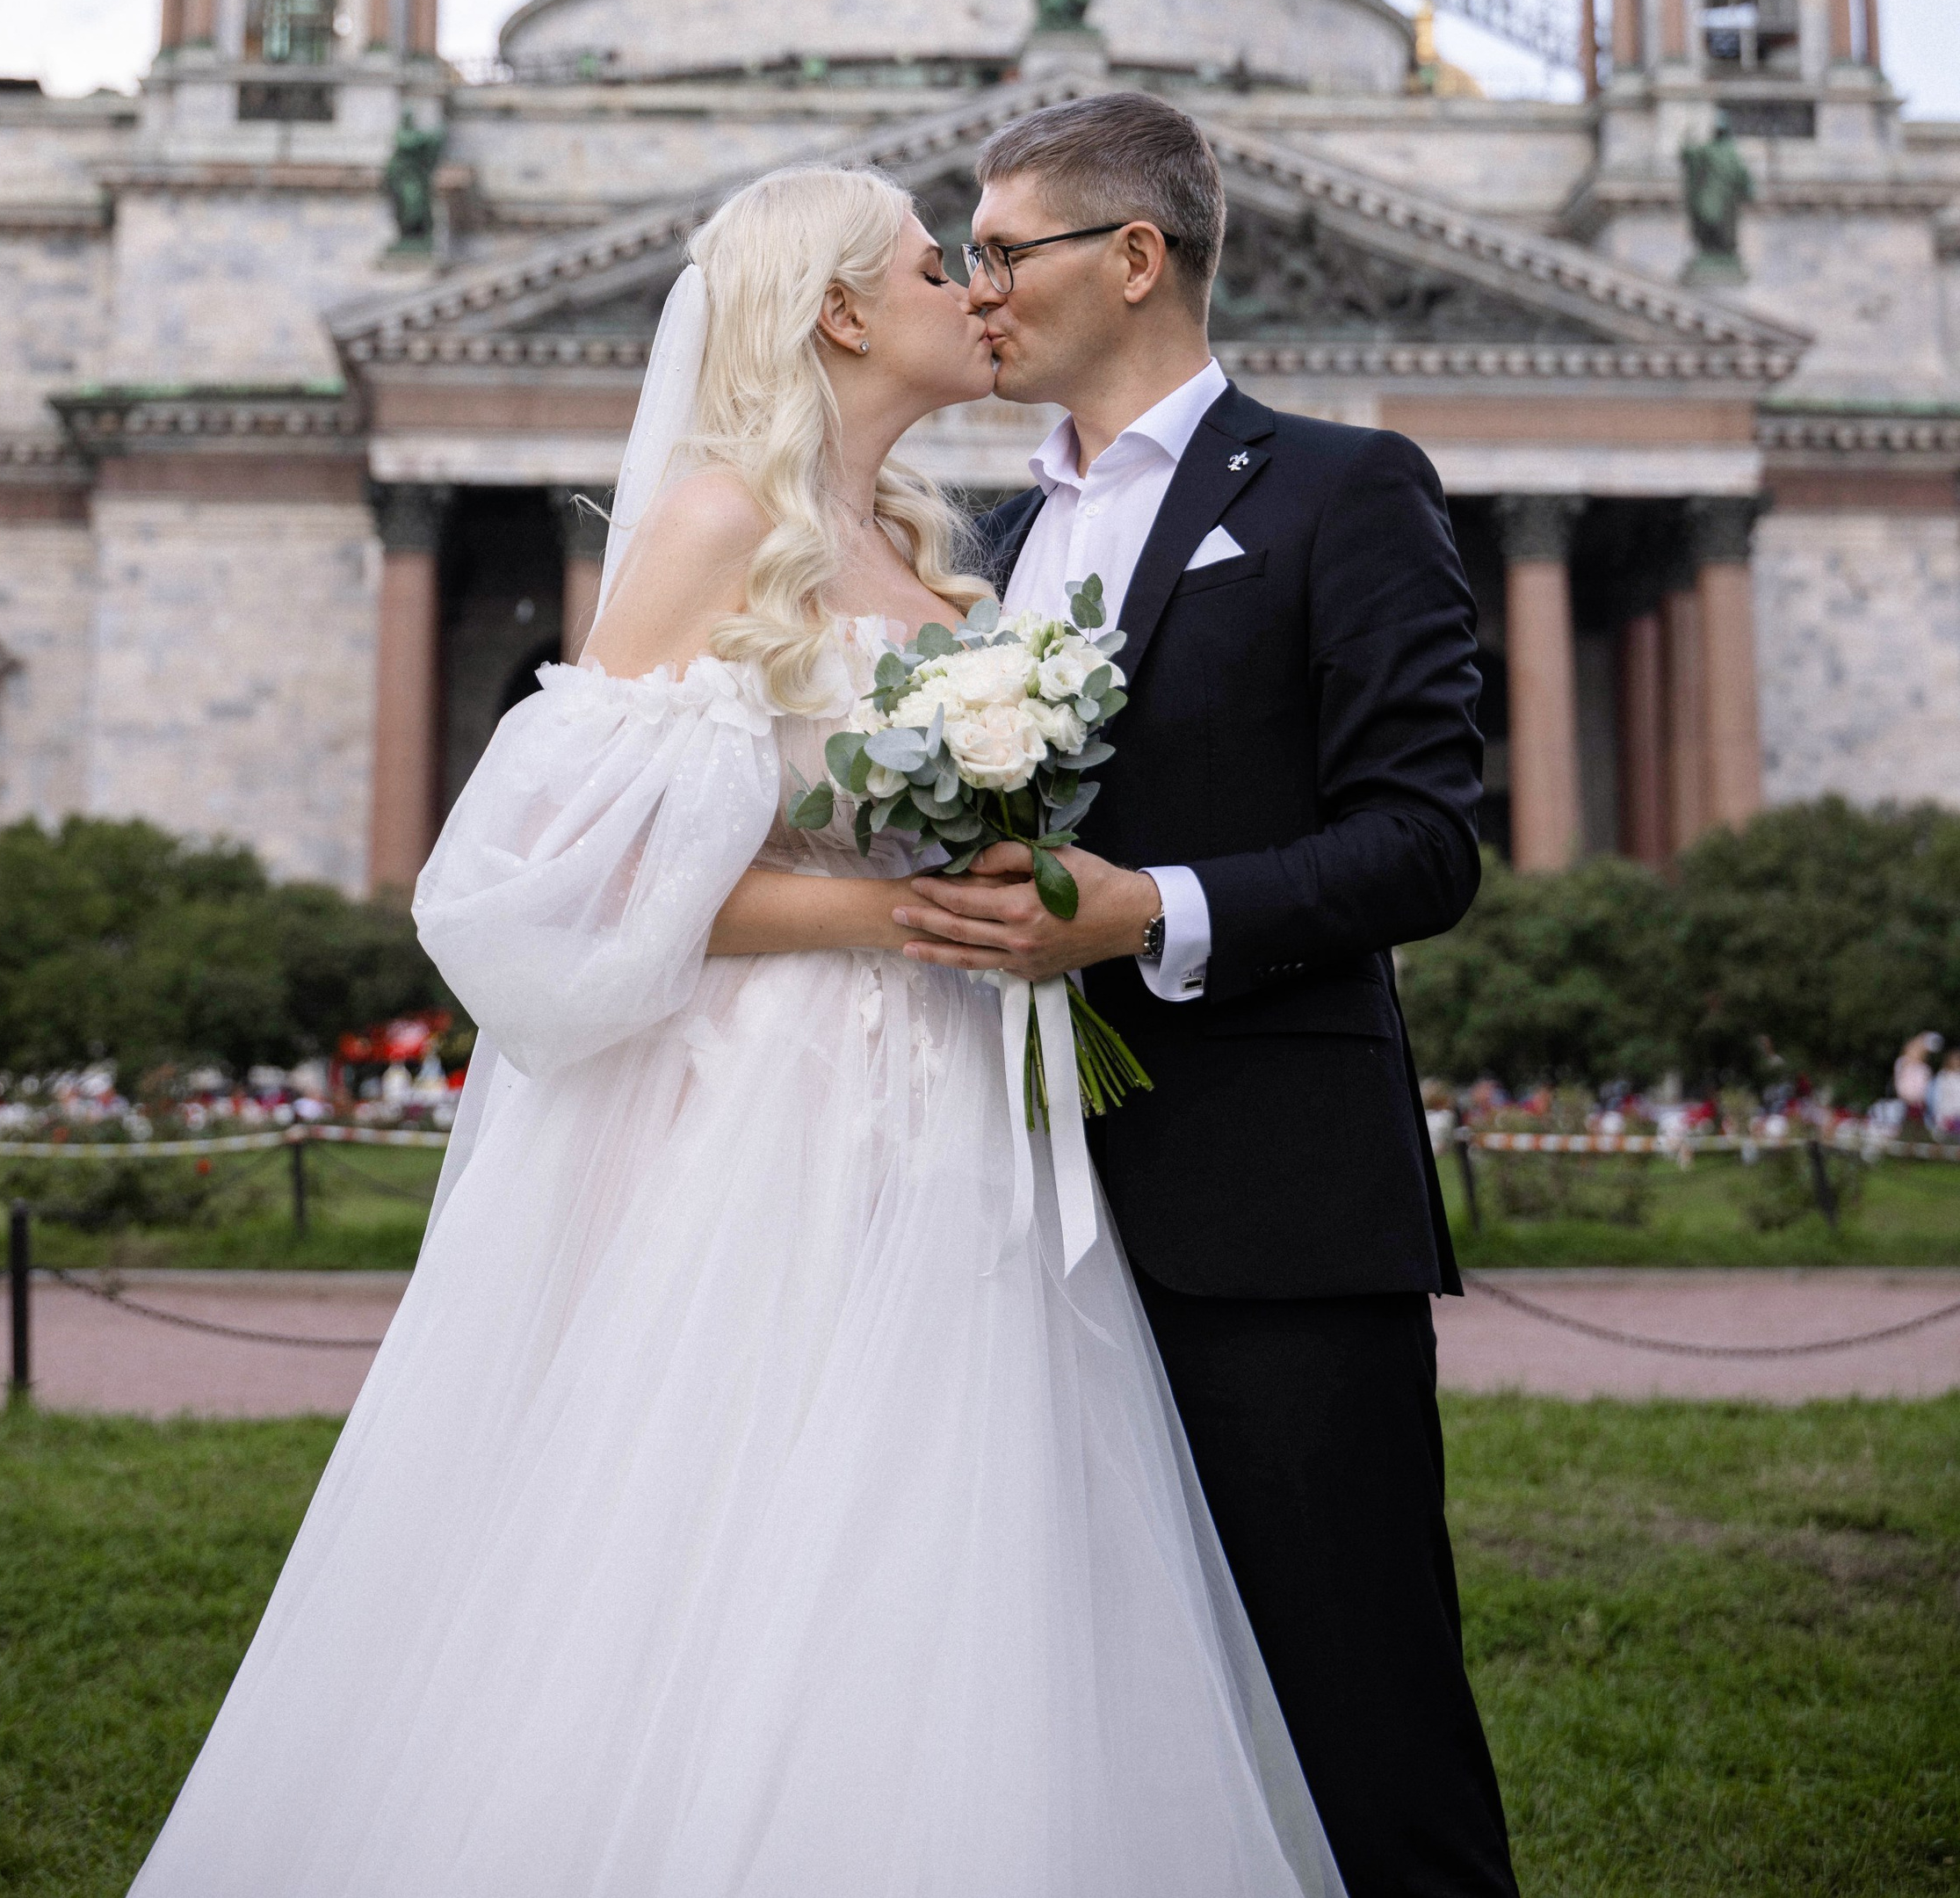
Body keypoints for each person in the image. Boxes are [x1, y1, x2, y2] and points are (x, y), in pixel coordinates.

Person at [128, 164, 1339, 1898]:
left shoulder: (936, 550)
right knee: (737, 1506)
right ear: (841, 310)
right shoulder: (709, 524)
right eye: (939, 265)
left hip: (954, 1094)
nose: (975, 290)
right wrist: (890, 910)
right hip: (770, 1105)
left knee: (947, 1521)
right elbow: (572, 877)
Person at [903, 91, 1515, 1898]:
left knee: (1361, 1713)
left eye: (1002, 250)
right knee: (1097, 1718)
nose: (975, 287)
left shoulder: (1338, 485)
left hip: (1271, 1216)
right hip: (1022, 1225)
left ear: (1135, 256)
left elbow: (1423, 840)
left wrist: (1140, 912)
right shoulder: (1004, 540)